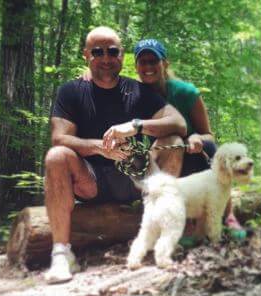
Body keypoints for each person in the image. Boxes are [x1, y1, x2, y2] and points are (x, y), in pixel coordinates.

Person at [44, 27, 187, 284]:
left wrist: (136, 125)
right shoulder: (71, 91)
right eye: (98, 52)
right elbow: (59, 137)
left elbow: (178, 123)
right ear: (86, 55)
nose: (106, 58)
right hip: (89, 180)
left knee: (174, 142)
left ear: (122, 55)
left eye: (113, 51)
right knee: (56, 156)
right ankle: (62, 254)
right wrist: (100, 147)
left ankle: (162, 235)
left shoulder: (138, 91)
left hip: (132, 176)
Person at [105, 38, 246, 237]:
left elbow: (209, 136)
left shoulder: (185, 93)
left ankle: (228, 215)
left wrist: (197, 136)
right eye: (143, 62)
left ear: (165, 63)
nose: (148, 66)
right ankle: (168, 218)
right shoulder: (130, 95)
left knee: (208, 150)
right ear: (136, 66)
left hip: (189, 160)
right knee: (171, 143)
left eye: (153, 61)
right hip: (150, 168)